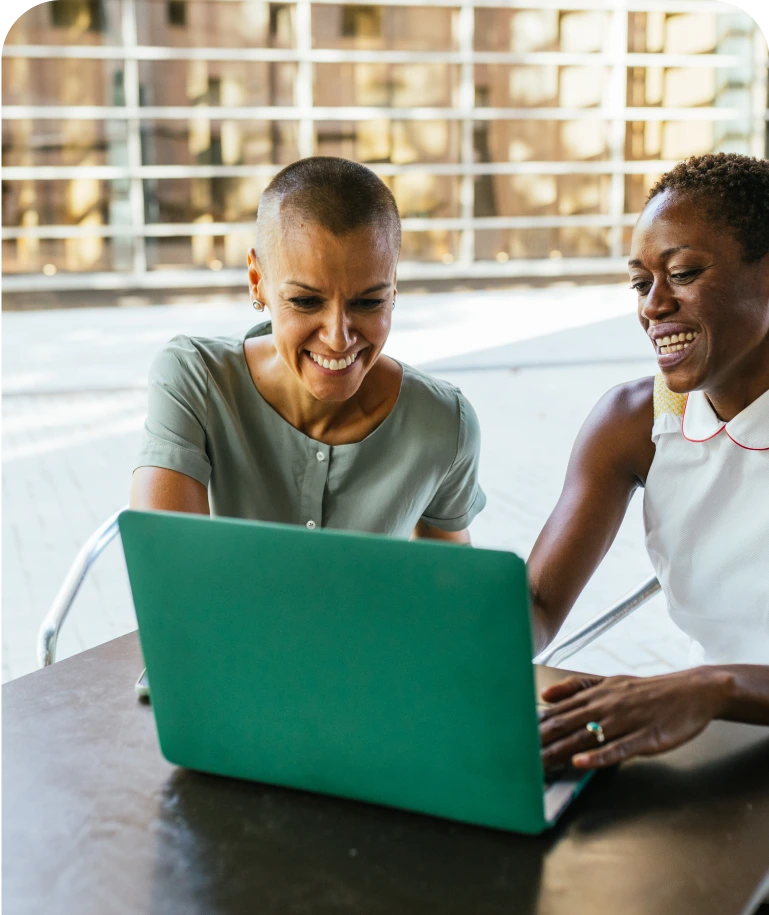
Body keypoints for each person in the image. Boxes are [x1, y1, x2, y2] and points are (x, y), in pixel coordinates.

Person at [530, 153, 769, 771]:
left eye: (684, 272)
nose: (653, 306)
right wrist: (458, 672)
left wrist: (711, 688)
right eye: (641, 283)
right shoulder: (634, 421)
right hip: (721, 745)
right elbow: (534, 602)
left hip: (715, 711)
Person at [130, 157, 485, 543]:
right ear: (256, 281)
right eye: (305, 301)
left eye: (368, 303)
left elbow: (449, 591)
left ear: (393, 286)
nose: (338, 338)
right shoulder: (195, 381)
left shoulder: (445, 423)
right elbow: (171, 576)